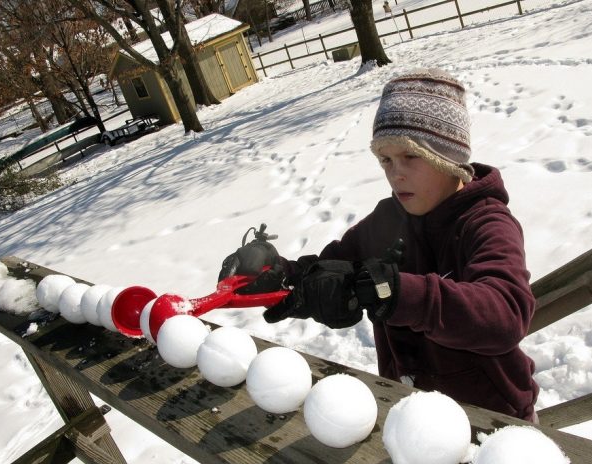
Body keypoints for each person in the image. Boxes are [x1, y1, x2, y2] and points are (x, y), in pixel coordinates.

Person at [219, 68, 539, 422]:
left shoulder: (487, 223)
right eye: (385, 159)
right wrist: (280, 273)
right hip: (410, 411)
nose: (395, 173)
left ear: (448, 158)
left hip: (493, 422)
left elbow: (505, 315)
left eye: (411, 156)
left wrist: (398, 292)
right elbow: (332, 268)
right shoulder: (389, 219)